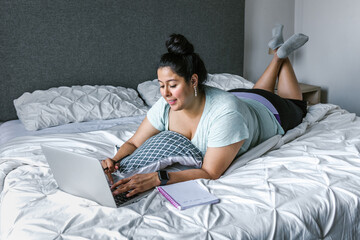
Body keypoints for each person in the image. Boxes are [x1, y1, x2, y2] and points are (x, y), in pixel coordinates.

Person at [101, 26, 309, 197]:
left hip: (271, 110)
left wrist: (158, 178)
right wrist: (115, 160)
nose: (165, 93)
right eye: (161, 85)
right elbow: (134, 143)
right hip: (242, 97)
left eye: (172, 85)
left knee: (295, 103)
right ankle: (277, 53)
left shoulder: (226, 114)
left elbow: (210, 172)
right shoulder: (166, 104)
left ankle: (281, 55)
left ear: (193, 81)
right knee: (255, 91)